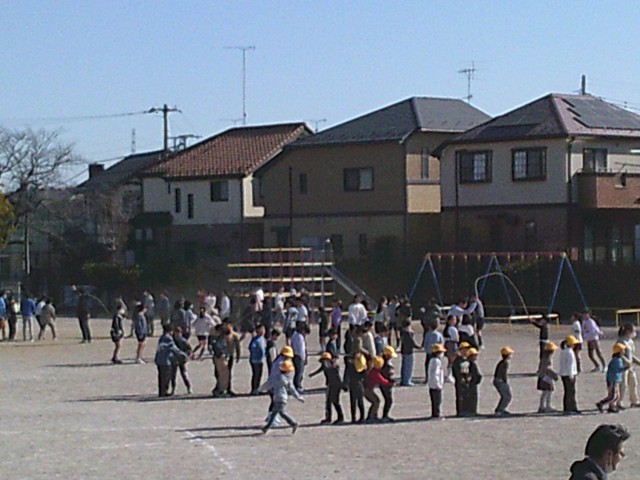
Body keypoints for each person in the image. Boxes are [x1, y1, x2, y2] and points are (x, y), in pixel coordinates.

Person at [259, 359, 304, 435]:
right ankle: (266, 428)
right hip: (283, 398)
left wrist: (260, 389)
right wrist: (299, 397)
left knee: (281, 412)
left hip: (277, 398)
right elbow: (292, 390)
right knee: (274, 413)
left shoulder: (275, 378)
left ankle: (293, 423)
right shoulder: (287, 380)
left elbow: (268, 384)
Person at [309, 352, 344, 424]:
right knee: (329, 402)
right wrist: (312, 374)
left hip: (335, 385)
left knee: (334, 401)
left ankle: (339, 418)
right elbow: (320, 369)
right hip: (331, 385)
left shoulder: (332, 366)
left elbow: (331, 369)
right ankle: (329, 418)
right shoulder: (326, 365)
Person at [596, 343, 628, 414]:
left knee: (617, 396)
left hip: (615, 379)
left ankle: (612, 406)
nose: (624, 352)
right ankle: (601, 403)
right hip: (613, 380)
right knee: (613, 396)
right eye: (623, 350)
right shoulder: (617, 360)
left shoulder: (617, 359)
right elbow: (619, 369)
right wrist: (626, 368)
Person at [155, 325, 186, 397]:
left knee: (161, 377)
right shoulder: (168, 338)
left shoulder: (162, 337)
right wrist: (184, 355)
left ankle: (162, 391)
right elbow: (174, 349)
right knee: (166, 377)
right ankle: (163, 392)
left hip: (160, 360)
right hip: (165, 360)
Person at [616, 323, 640, 409]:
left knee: (633, 383)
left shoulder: (631, 341)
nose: (635, 333)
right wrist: (627, 361)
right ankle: (619, 402)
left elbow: (631, 355)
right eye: (633, 331)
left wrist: (638, 362)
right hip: (622, 367)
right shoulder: (621, 341)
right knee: (623, 385)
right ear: (628, 331)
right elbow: (619, 354)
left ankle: (634, 401)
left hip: (630, 367)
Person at [363, 356, 393, 423]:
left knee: (376, 401)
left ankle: (372, 416)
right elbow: (383, 381)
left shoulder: (373, 370)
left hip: (367, 389)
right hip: (368, 390)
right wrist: (391, 383)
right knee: (376, 402)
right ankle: (371, 417)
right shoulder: (375, 373)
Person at [560, 335, 581, 415]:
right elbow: (570, 365)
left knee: (567, 392)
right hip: (569, 374)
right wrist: (571, 375)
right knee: (571, 392)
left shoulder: (563, 351)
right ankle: (571, 408)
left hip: (564, 374)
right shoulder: (569, 352)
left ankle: (568, 408)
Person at [537, 341, 559, 413]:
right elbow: (548, 369)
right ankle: (547, 406)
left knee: (544, 393)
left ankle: (542, 406)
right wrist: (554, 375)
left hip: (542, 377)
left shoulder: (543, 357)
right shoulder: (548, 359)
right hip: (546, 378)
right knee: (548, 392)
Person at [170, 326, 193, 395]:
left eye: (178, 333)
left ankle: (189, 387)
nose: (177, 335)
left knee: (184, 374)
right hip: (174, 359)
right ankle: (173, 389)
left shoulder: (183, 341)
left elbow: (189, 350)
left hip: (182, 360)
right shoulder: (172, 340)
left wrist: (186, 356)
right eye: (176, 333)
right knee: (173, 375)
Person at [492, 346, 513, 416]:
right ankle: (499, 410)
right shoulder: (505, 363)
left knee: (505, 396)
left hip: (498, 380)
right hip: (500, 381)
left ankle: (501, 409)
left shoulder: (502, 362)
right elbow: (503, 374)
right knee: (507, 396)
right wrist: (505, 382)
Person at [462, 347, 483, 416]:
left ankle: (472, 410)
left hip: (472, 383)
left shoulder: (468, 363)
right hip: (472, 384)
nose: (476, 357)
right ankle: (472, 411)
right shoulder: (470, 364)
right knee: (473, 398)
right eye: (475, 355)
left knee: (472, 397)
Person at [428, 343, 446, 419]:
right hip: (436, 385)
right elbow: (435, 373)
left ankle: (434, 413)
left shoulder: (432, 360)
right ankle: (436, 414)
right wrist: (438, 384)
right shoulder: (436, 361)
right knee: (437, 400)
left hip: (432, 384)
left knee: (434, 400)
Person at [422, 320, 444, 385]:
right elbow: (441, 342)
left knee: (428, 365)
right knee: (437, 366)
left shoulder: (427, 334)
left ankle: (427, 378)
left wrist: (426, 349)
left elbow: (425, 343)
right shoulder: (438, 334)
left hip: (429, 352)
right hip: (437, 352)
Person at [400, 322, 421, 386]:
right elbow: (411, 343)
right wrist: (418, 347)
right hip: (408, 352)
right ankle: (406, 380)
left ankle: (404, 380)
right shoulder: (406, 334)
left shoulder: (403, 333)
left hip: (404, 351)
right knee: (408, 367)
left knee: (404, 366)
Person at [224, 320, 242, 396]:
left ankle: (228, 388)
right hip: (222, 356)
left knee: (229, 373)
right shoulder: (221, 334)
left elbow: (238, 346)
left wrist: (238, 356)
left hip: (230, 355)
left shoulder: (235, 336)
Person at [380, 345, 397, 422]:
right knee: (389, 400)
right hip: (385, 384)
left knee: (388, 400)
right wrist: (391, 381)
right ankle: (385, 416)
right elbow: (386, 374)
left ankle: (385, 415)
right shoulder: (384, 364)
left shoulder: (386, 362)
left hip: (387, 383)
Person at [249, 324, 267, 394]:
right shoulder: (255, 339)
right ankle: (254, 389)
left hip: (260, 360)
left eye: (263, 329)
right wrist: (257, 352)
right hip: (255, 360)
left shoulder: (262, 338)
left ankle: (258, 388)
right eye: (261, 330)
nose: (263, 331)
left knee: (259, 374)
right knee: (256, 374)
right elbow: (251, 347)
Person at [291, 323, 308, 392]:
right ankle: (297, 386)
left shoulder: (294, 335)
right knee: (299, 372)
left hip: (295, 355)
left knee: (298, 372)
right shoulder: (299, 337)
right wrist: (304, 358)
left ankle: (297, 385)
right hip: (299, 356)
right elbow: (301, 350)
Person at [443, 315, 460, 382]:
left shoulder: (447, 329)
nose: (455, 321)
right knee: (452, 361)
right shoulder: (452, 329)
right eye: (453, 320)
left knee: (450, 361)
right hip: (452, 345)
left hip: (448, 344)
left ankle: (449, 374)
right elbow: (456, 339)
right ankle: (449, 375)